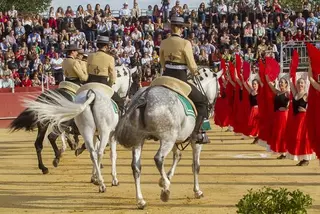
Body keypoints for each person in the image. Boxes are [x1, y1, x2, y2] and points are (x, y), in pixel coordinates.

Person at [159, 16, 209, 144]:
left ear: (171, 28)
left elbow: (162, 62)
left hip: (165, 77)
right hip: (180, 78)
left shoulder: (164, 42)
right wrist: (195, 72)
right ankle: (197, 133)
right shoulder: (185, 43)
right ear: (181, 29)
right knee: (203, 101)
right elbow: (191, 64)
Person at [86, 35, 124, 113]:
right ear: (106, 46)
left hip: (89, 83)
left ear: (98, 45)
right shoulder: (110, 58)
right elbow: (113, 77)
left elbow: (87, 70)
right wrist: (109, 85)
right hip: (102, 84)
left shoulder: (90, 56)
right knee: (120, 102)